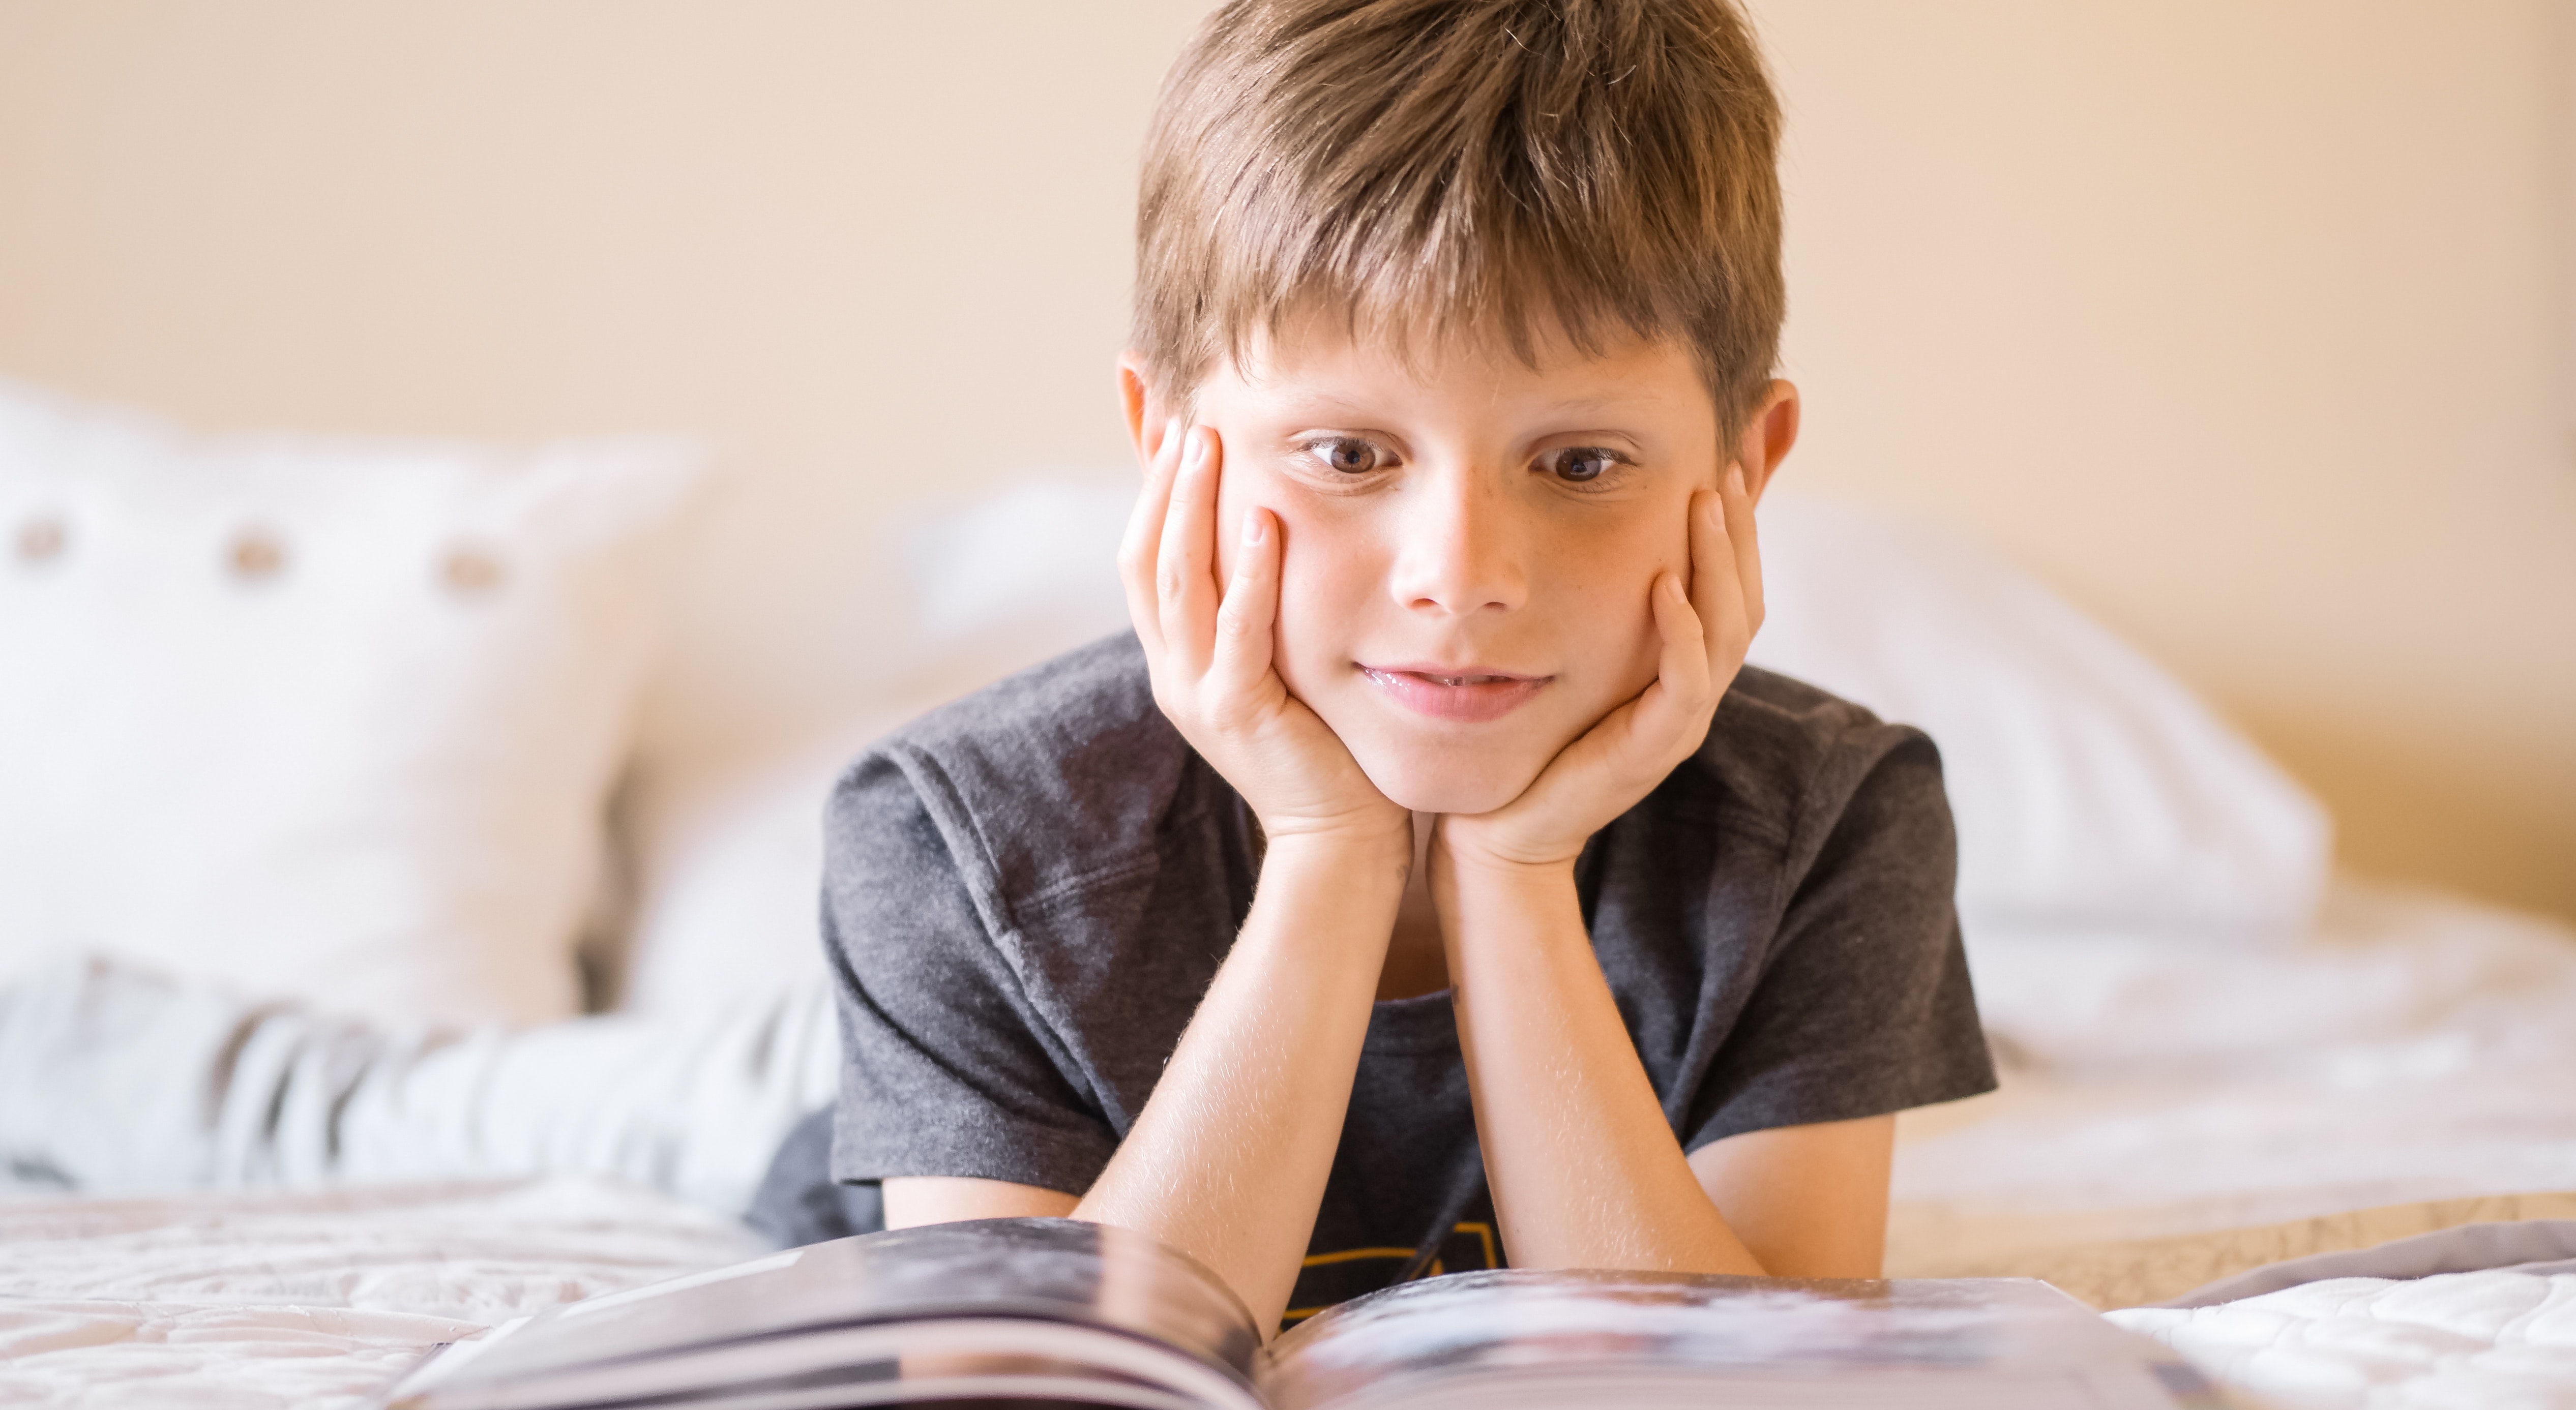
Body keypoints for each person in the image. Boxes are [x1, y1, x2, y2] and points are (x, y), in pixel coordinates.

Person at [752, 0, 1995, 1334]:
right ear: (1163, 440)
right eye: (1347, 455)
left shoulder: (1832, 820)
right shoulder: (957, 835)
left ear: (1742, 467)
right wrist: (1325, 848)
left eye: (1580, 463)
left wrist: (1512, 878)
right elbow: (1043, 1404)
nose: (1460, 577)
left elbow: (1759, 1387)